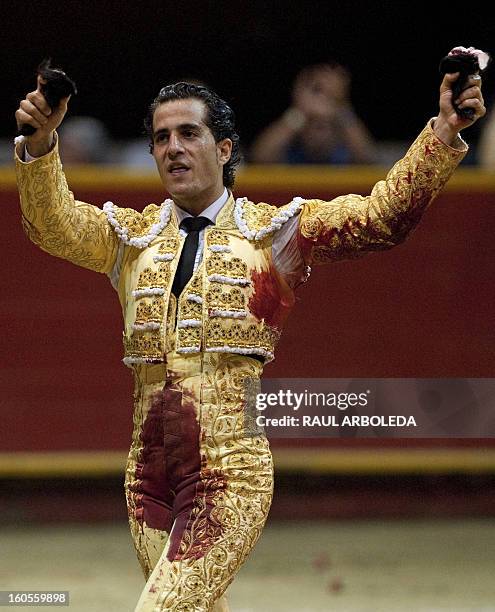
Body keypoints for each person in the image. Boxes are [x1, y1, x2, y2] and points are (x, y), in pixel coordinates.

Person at [14, 65, 485, 611]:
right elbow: (51, 226)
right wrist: (42, 144)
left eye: (189, 133)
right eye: (161, 138)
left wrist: (445, 130)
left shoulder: (273, 234)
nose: (173, 148)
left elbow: (383, 217)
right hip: (147, 481)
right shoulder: (130, 239)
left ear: (225, 148)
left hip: (229, 472)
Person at [250, 63, 375, 164]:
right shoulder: (291, 146)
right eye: (317, 92)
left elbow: (367, 157)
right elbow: (260, 156)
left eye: (331, 96)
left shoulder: (346, 146)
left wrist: (340, 107)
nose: (321, 107)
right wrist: (301, 111)